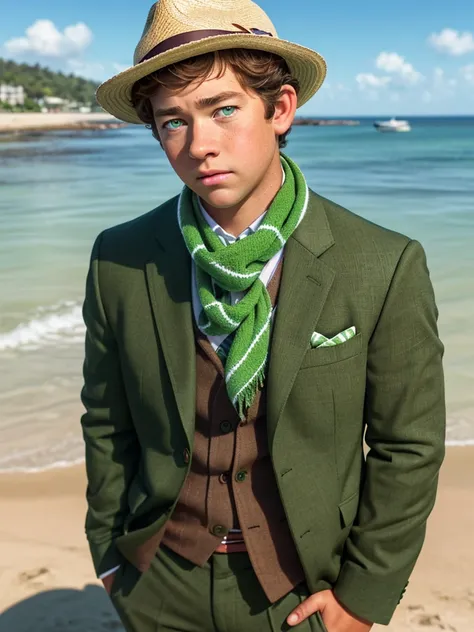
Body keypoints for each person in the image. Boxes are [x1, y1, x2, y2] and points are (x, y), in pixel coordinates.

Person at [80, 0, 446, 630]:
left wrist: (364, 594)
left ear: (280, 109)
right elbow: (108, 420)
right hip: (161, 582)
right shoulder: (122, 258)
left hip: (304, 587)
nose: (200, 145)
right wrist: (112, 556)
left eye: (224, 109)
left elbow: (407, 446)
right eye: (172, 123)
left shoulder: (383, 264)